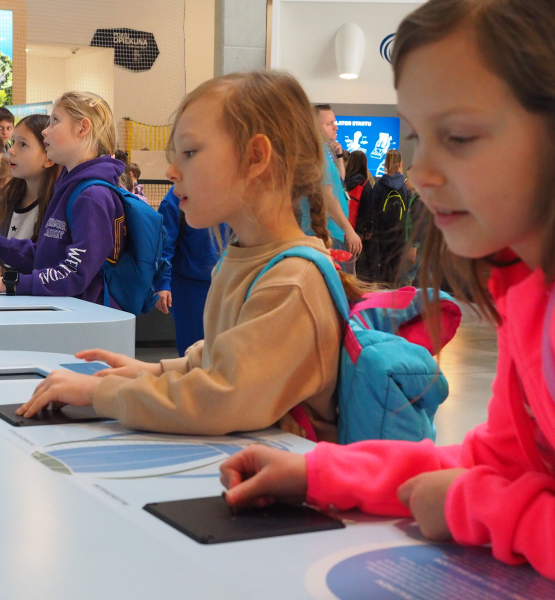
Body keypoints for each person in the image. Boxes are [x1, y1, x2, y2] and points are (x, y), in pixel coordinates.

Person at [219, 0, 555, 580]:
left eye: (459, 136)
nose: (421, 173)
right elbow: (500, 461)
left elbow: (487, 485)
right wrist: (320, 474)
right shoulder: (525, 292)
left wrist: (475, 508)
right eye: (416, 137)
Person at [14, 70, 371, 442]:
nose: (171, 171)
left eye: (189, 153)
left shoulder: (291, 282)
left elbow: (220, 399)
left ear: (255, 158)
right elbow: (219, 356)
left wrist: (101, 393)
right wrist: (149, 372)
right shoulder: (241, 259)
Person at [0, 92, 126, 305]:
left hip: (85, 316)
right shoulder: (69, 188)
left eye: (55, 121)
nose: (46, 130)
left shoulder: (92, 196)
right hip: (67, 311)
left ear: (82, 128)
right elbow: (46, 256)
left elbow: (73, 274)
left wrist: (9, 283)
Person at [155, 186, 228, 356]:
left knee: (226, 347)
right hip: (188, 285)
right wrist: (162, 283)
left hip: (226, 279)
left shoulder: (230, 190)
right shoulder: (175, 197)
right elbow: (164, 245)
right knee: (193, 347)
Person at [0, 114, 58, 250]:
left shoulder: (59, 205)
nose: (11, 150)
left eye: (23, 144)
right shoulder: (6, 196)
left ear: (49, 158)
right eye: (13, 142)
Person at [300, 104, 362, 256]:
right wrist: (349, 230)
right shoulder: (317, 155)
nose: (336, 127)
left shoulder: (321, 152)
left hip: (329, 233)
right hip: (326, 234)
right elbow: (327, 196)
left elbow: (339, 184)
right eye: (329, 124)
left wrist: (339, 157)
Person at [372, 149, 410, 285]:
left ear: (386, 163)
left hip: (383, 230)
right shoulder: (405, 185)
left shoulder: (379, 184)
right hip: (400, 231)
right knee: (398, 266)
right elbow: (408, 206)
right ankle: (396, 291)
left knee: (384, 264)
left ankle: (385, 291)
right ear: (400, 163)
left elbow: (374, 208)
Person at [344, 150, 379, 281]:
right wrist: (367, 230)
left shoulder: (342, 181)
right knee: (351, 263)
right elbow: (367, 210)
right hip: (356, 229)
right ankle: (349, 289)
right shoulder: (364, 184)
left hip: (339, 228)